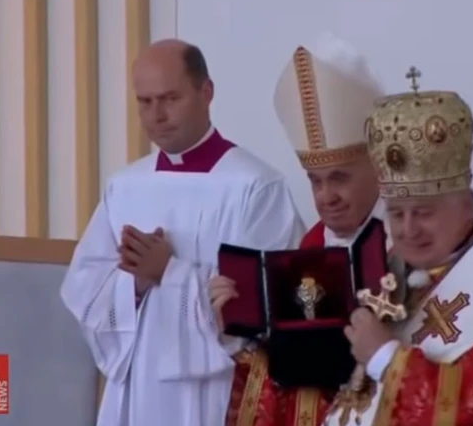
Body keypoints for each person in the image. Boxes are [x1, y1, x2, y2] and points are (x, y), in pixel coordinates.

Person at [60, 39, 306, 426]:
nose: (157, 114)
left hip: (217, 393)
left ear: (205, 92)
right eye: (145, 101)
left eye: (170, 98)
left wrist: (168, 274)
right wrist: (135, 286)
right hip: (138, 387)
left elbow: (272, 302)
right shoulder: (125, 187)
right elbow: (83, 291)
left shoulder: (254, 186)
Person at [323, 72, 473, 425]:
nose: (409, 229)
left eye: (425, 212)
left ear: (468, 205)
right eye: (397, 214)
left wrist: (386, 357)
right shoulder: (394, 276)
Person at [209, 32, 389, 425]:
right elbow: (279, 376)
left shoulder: (407, 247)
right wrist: (235, 329)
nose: (326, 197)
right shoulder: (307, 250)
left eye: (339, 177)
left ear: (378, 169)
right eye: (315, 180)